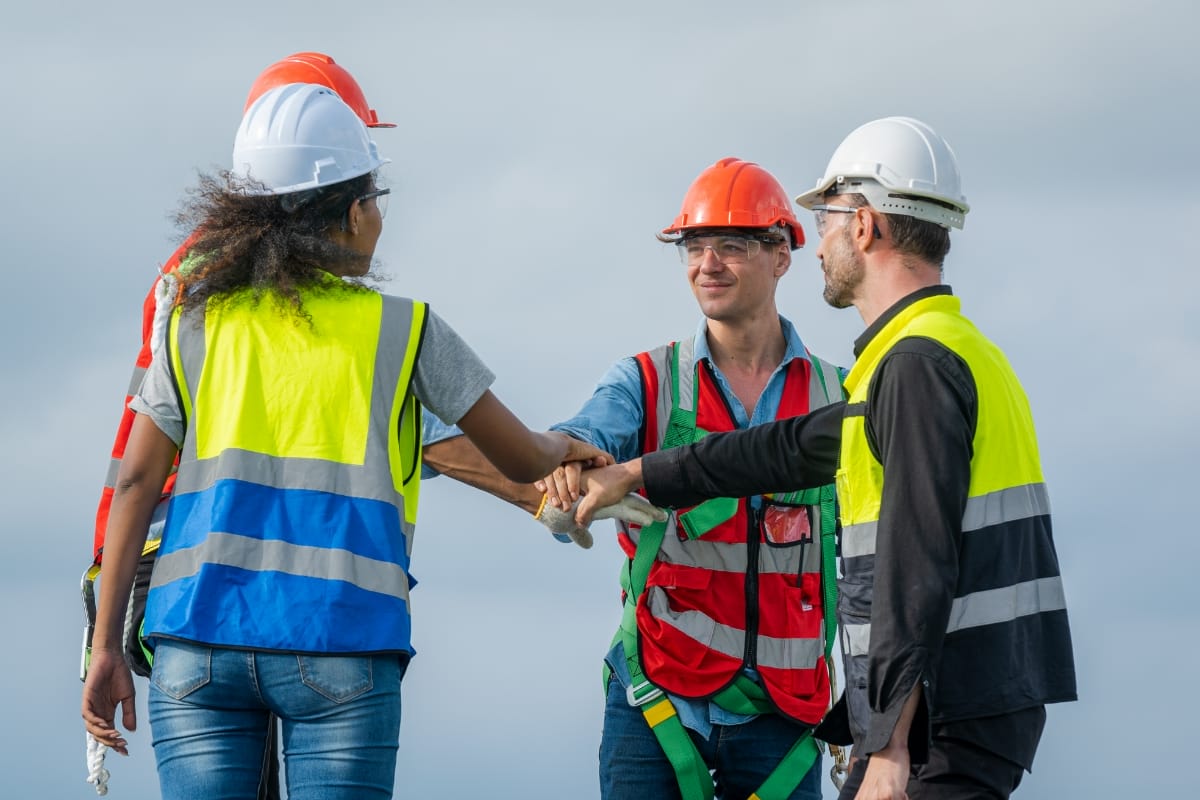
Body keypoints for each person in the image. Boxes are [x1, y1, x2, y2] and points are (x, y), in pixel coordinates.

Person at [80, 83, 612, 800]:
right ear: (351, 211)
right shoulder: (405, 328)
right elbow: (520, 456)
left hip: (197, 638)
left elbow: (137, 484)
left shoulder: (193, 325)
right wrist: (566, 448)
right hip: (342, 642)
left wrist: (107, 645)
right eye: (375, 200)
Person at [574, 117, 1078, 800]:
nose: (819, 247)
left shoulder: (915, 368)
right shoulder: (942, 351)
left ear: (865, 228)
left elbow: (914, 560)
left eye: (830, 221)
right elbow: (788, 449)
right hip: (967, 694)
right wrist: (638, 473)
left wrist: (889, 742)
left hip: (948, 706)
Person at [80, 52, 396, 800]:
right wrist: (537, 483)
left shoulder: (208, 269)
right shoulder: (231, 284)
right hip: (191, 560)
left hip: (165, 558)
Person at [533, 157, 846, 800]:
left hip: (782, 712)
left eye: (730, 246)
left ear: (782, 254)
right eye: (694, 247)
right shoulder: (647, 381)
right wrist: (569, 456)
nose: (708, 265)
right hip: (658, 695)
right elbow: (587, 433)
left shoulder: (835, 396)